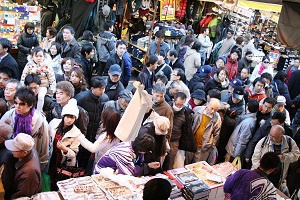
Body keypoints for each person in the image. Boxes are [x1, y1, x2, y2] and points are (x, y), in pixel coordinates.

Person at [0, 87, 50, 170]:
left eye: (22, 104)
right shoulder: (9, 115)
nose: (17, 106)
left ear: (30, 105)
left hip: (31, 158)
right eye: (16, 103)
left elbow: (44, 145)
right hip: (11, 156)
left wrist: (41, 164)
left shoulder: (40, 122)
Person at [251, 125, 300, 191]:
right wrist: (263, 170)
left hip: (278, 176)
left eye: (274, 137)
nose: (270, 138)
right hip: (263, 174)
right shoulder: (263, 142)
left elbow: (296, 155)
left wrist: (284, 157)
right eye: (270, 135)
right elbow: (255, 159)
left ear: (281, 137)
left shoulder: (289, 142)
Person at [48, 99, 81, 190]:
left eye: (72, 117)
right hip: (51, 158)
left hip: (63, 163)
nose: (69, 120)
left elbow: (74, 153)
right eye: (67, 117)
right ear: (63, 116)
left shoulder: (76, 132)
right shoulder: (54, 123)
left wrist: (65, 149)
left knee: (59, 184)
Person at [94, 134, 160, 176]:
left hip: (114, 171)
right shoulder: (125, 152)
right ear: (142, 149)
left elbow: (138, 163)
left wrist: (148, 165)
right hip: (102, 173)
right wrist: (148, 166)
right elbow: (131, 171)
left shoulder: (135, 147)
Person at [78, 107, 121, 173]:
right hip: (107, 162)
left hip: (102, 163)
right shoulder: (116, 132)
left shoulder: (107, 136)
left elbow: (93, 148)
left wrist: (79, 136)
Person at [4, 133, 42, 199]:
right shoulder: (31, 149)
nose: (12, 151)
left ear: (24, 153)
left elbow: (22, 196)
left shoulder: (29, 173)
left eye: (15, 150)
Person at [20, 46, 56, 112]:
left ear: (44, 57)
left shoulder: (47, 66)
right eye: (36, 56)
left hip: (42, 85)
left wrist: (52, 87)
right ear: (32, 57)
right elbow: (24, 75)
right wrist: (22, 85)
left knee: (41, 96)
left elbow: (52, 77)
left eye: (40, 56)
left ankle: (39, 110)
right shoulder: (29, 65)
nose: (38, 58)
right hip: (31, 85)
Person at [186, 98, 222, 163]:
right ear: (207, 104)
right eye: (212, 108)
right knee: (186, 163)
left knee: (197, 167)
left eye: (216, 110)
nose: (213, 111)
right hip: (191, 143)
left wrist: (211, 146)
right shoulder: (197, 110)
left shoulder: (217, 118)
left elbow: (216, 134)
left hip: (203, 147)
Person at [166, 92, 194, 169]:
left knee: (170, 162)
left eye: (181, 105)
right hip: (163, 139)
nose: (178, 106)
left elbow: (186, 130)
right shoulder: (166, 108)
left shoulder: (186, 114)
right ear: (173, 100)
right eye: (177, 104)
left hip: (174, 141)